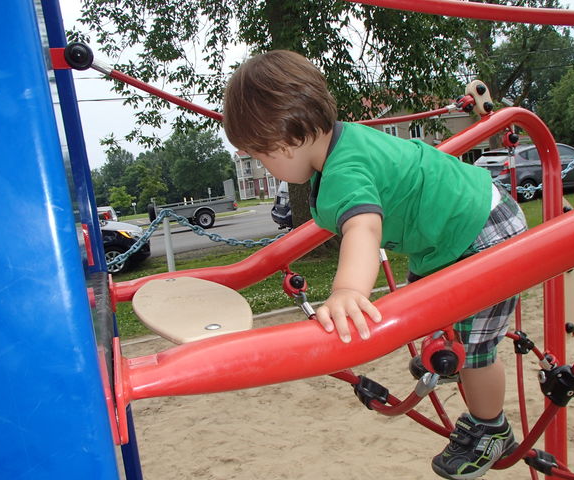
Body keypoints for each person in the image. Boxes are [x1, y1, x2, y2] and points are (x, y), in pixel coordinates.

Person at [223, 50, 527, 480]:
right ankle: (448, 354)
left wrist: (349, 291)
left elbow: (363, 228)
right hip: (449, 233)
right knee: (420, 303)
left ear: (286, 141)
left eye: (262, 156)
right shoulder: (343, 144)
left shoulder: (344, 170)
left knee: (477, 347)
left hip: (482, 230)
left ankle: (490, 428)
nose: (264, 167)